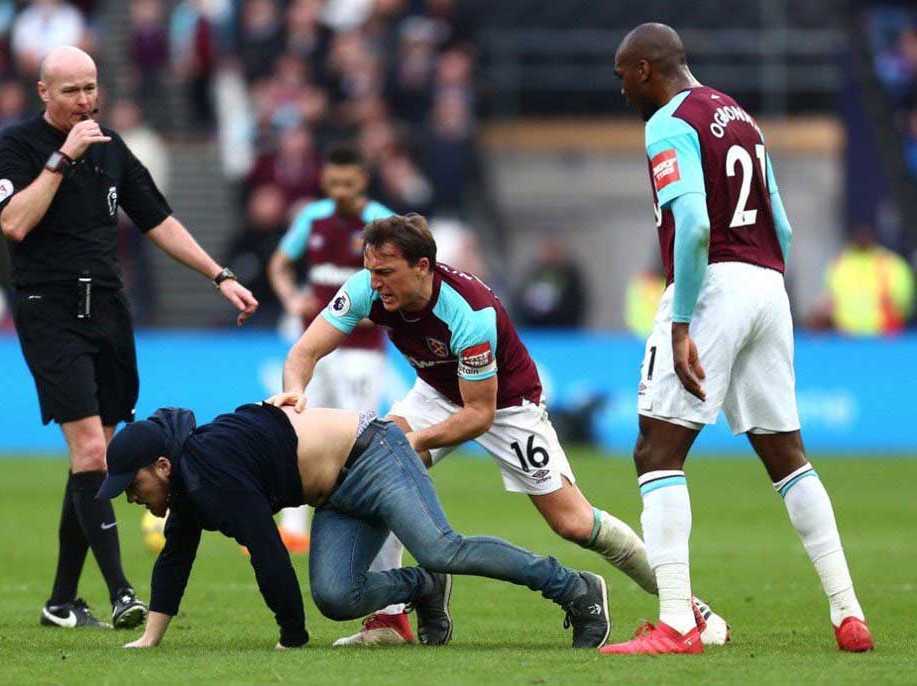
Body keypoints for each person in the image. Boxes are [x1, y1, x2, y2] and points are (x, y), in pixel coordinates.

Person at [272, 212, 729, 646]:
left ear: (423, 266)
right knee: (378, 468)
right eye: (370, 270)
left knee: (572, 522)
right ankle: (391, 618)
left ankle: (686, 606)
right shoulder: (368, 288)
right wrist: (294, 391)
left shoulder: (469, 313)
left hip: (508, 405)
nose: (375, 282)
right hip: (434, 393)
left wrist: (413, 441)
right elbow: (304, 353)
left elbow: (478, 415)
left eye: (386, 272)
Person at [604, 23, 872, 655]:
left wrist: (681, 322)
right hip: (767, 282)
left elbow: (693, 226)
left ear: (645, 70)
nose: (622, 93)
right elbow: (780, 221)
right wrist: (765, 288)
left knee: (656, 451)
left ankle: (675, 624)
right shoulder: (739, 116)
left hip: (715, 286)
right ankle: (848, 613)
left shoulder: (669, 122)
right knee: (787, 455)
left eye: (622, 79)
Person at [0, 46, 258, 630]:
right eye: (71, 91)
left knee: (95, 459)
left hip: (107, 310)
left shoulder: (111, 146)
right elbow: (14, 223)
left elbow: (157, 219)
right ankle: (121, 594)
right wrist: (61, 158)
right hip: (50, 310)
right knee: (90, 451)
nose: (85, 101)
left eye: (91, 88)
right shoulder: (17, 147)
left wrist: (220, 276)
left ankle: (61, 601)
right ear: (43, 93)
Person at [96, 402, 612, 651]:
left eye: (131, 484)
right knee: (337, 598)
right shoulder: (188, 480)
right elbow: (175, 557)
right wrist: (150, 640)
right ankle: (423, 587)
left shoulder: (207, 473)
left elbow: (268, 550)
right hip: (335, 493)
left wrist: (292, 639)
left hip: (375, 455)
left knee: (440, 547)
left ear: (162, 466)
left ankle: (575, 588)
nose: (130, 496)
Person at [266, 144, 394, 562]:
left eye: (348, 182)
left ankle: (363, 524)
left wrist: (361, 318)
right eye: (333, 181)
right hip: (315, 347)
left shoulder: (381, 222)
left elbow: (394, 292)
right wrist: (290, 299)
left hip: (361, 349)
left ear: (363, 180)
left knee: (356, 438)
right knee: (297, 428)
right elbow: (280, 263)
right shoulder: (312, 217)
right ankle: (293, 530)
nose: (340, 190)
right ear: (324, 180)